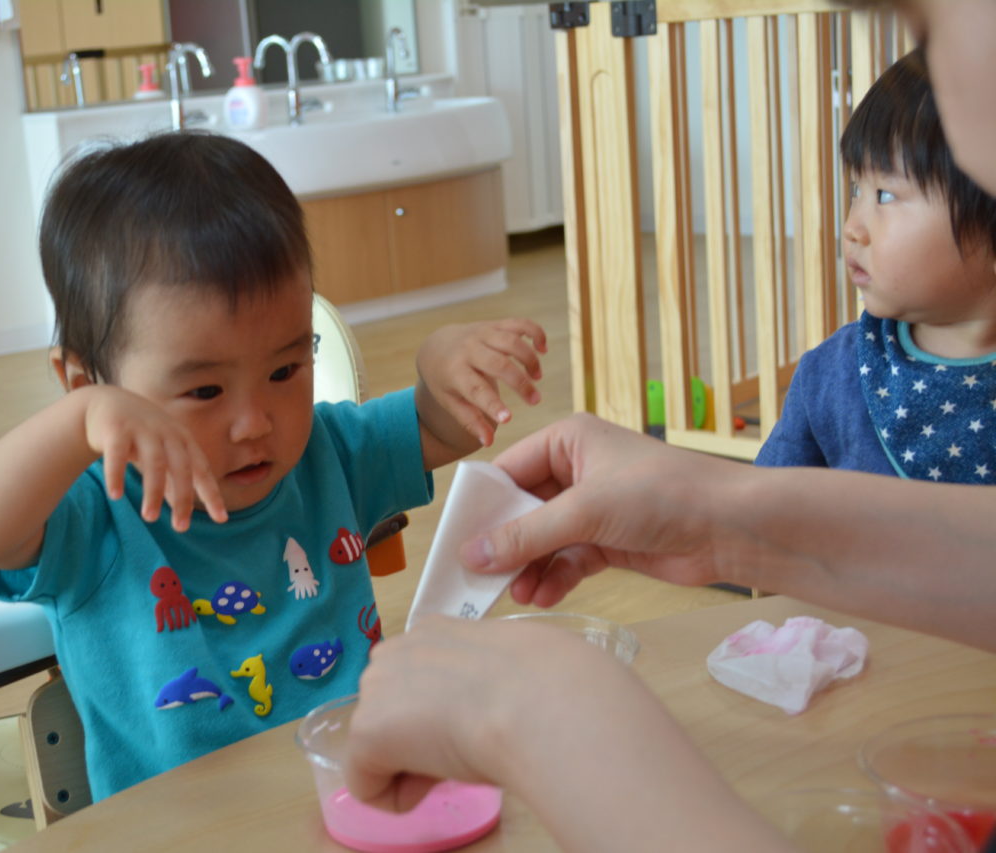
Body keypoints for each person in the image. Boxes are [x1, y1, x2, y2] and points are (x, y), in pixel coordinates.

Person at [343, 2, 996, 847]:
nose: (853, 222)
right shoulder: (840, 369)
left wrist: (558, 727)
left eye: (930, 23)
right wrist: (723, 518)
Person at [0, 131, 547, 801]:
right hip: (184, 832)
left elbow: (440, 426)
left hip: (352, 798)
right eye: (206, 390)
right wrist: (76, 422)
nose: (255, 422)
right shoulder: (99, 513)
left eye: (285, 370)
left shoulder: (329, 454)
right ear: (88, 382)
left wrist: (441, 363)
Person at [756, 49, 996, 481]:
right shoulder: (833, 374)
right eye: (856, 190)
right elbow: (766, 504)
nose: (852, 228)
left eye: (885, 195)